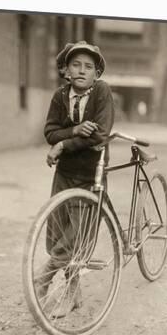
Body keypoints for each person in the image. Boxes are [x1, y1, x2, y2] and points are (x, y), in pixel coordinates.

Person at [35, 41, 115, 318]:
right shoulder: (60, 96)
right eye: (76, 65)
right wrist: (75, 130)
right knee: (58, 228)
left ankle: (46, 278)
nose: (82, 71)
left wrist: (63, 145)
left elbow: (100, 135)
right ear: (66, 70)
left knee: (77, 235)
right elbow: (49, 131)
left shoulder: (102, 92)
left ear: (97, 73)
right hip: (64, 173)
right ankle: (74, 290)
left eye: (88, 66)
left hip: (90, 174)